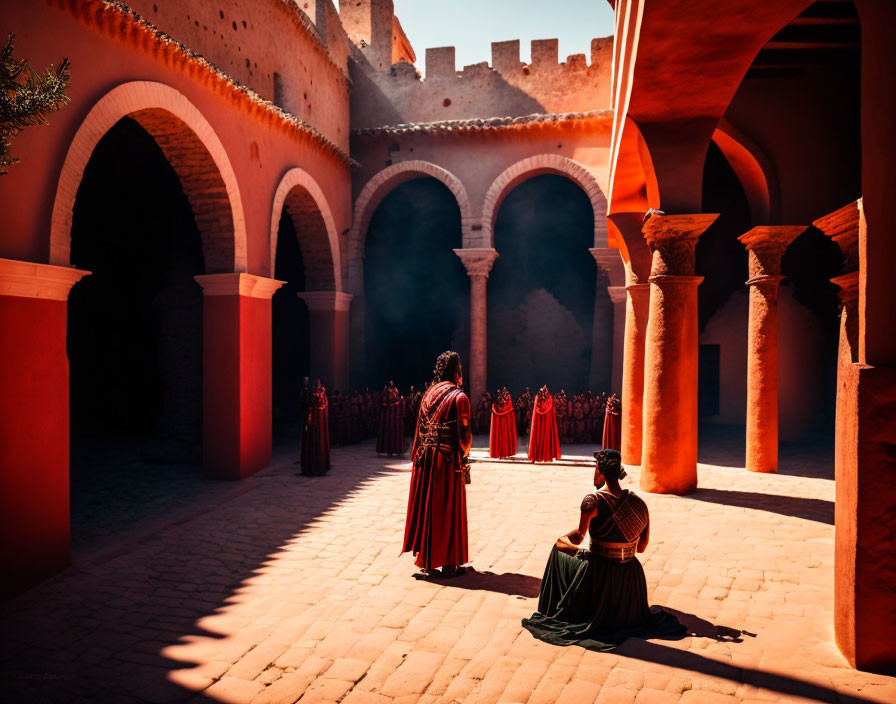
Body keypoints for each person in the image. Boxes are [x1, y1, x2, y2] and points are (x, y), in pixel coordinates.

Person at [522, 449, 686, 650]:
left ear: (599, 469)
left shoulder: (593, 501)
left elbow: (579, 536)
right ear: (620, 472)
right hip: (631, 575)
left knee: (557, 550)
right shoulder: (639, 503)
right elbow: (641, 548)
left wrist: (563, 541)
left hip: (599, 571)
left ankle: (559, 609)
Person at [402, 350, 472, 578]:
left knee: (428, 506)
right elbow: (464, 438)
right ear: (455, 371)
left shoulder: (428, 394)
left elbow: (419, 431)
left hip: (425, 460)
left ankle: (428, 560)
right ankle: (449, 563)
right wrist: (464, 458)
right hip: (446, 461)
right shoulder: (459, 397)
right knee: (446, 510)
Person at [300, 379, 330, 476]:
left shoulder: (321, 394)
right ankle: (311, 466)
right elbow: (304, 404)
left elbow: (322, 405)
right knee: (311, 441)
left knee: (319, 441)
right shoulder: (308, 393)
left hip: (319, 421)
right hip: (312, 421)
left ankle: (318, 466)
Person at [528, 385, 561, 462]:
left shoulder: (548, 398)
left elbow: (547, 406)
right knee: (539, 435)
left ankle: (545, 456)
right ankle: (537, 456)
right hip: (540, 422)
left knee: (546, 435)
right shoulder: (539, 398)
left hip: (546, 422)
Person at [377, 380, 405, 456]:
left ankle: (396, 451)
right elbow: (383, 401)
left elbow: (399, 404)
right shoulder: (386, 394)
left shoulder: (397, 398)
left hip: (395, 418)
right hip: (388, 417)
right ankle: (388, 450)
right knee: (387, 433)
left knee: (395, 434)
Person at [489, 387, 517, 459]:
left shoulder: (506, 400)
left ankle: (502, 451)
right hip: (502, 414)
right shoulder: (500, 402)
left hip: (503, 414)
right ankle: (501, 452)